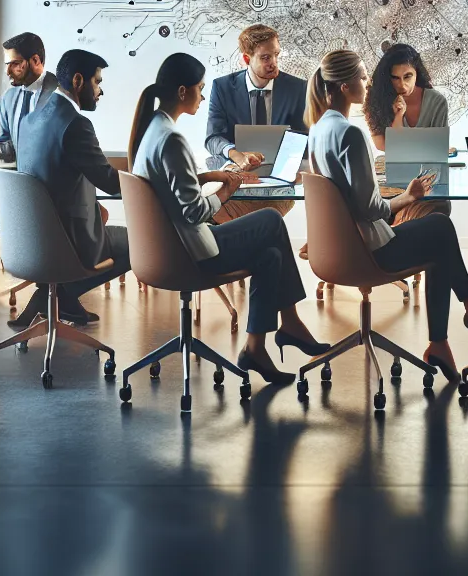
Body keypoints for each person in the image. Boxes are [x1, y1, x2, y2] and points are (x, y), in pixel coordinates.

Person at [307, 49, 468, 382]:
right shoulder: (350, 134)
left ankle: (446, 339)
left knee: (437, 239)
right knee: (440, 228)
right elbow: (372, 208)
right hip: (368, 250)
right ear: (346, 86)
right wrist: (410, 196)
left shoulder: (319, 130)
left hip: (337, 248)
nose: (366, 82)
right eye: (361, 77)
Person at [130, 53, 330, 385]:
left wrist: (209, 175)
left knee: (270, 256)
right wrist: (227, 190)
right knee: (270, 220)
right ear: (182, 92)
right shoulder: (172, 138)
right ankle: (290, 321)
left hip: (160, 247)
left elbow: (171, 185)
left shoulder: (153, 129)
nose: (204, 96)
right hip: (185, 250)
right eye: (200, 89)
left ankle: (256, 347)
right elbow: (193, 211)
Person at [8, 48, 132, 329]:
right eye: (97, 82)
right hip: (65, 244)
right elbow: (111, 182)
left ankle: (52, 295)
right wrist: (150, 183)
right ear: (78, 81)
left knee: (102, 219)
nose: (100, 92)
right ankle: (62, 295)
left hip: (29, 240)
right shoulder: (76, 124)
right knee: (139, 243)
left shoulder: (29, 122)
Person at [202, 23, 304, 222]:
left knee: (222, 220)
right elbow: (213, 138)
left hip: (281, 182)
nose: (273, 63)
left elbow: (304, 136)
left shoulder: (297, 88)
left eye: (276, 55)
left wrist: (292, 164)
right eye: (265, 57)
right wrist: (236, 155)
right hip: (236, 179)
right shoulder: (222, 87)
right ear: (246, 59)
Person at [364, 43, 452, 222]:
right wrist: (398, 117)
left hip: (428, 178)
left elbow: (437, 150)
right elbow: (383, 146)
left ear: (417, 73)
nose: (402, 85)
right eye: (395, 78)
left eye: (407, 76)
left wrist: (407, 146)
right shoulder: (375, 102)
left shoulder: (437, 101)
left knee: (435, 206)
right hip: (390, 181)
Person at [0, 32, 56, 161]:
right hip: (16, 178)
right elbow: (8, 145)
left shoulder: (60, 93)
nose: (7, 72)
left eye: (15, 64)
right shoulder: (8, 98)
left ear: (35, 60)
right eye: (7, 64)